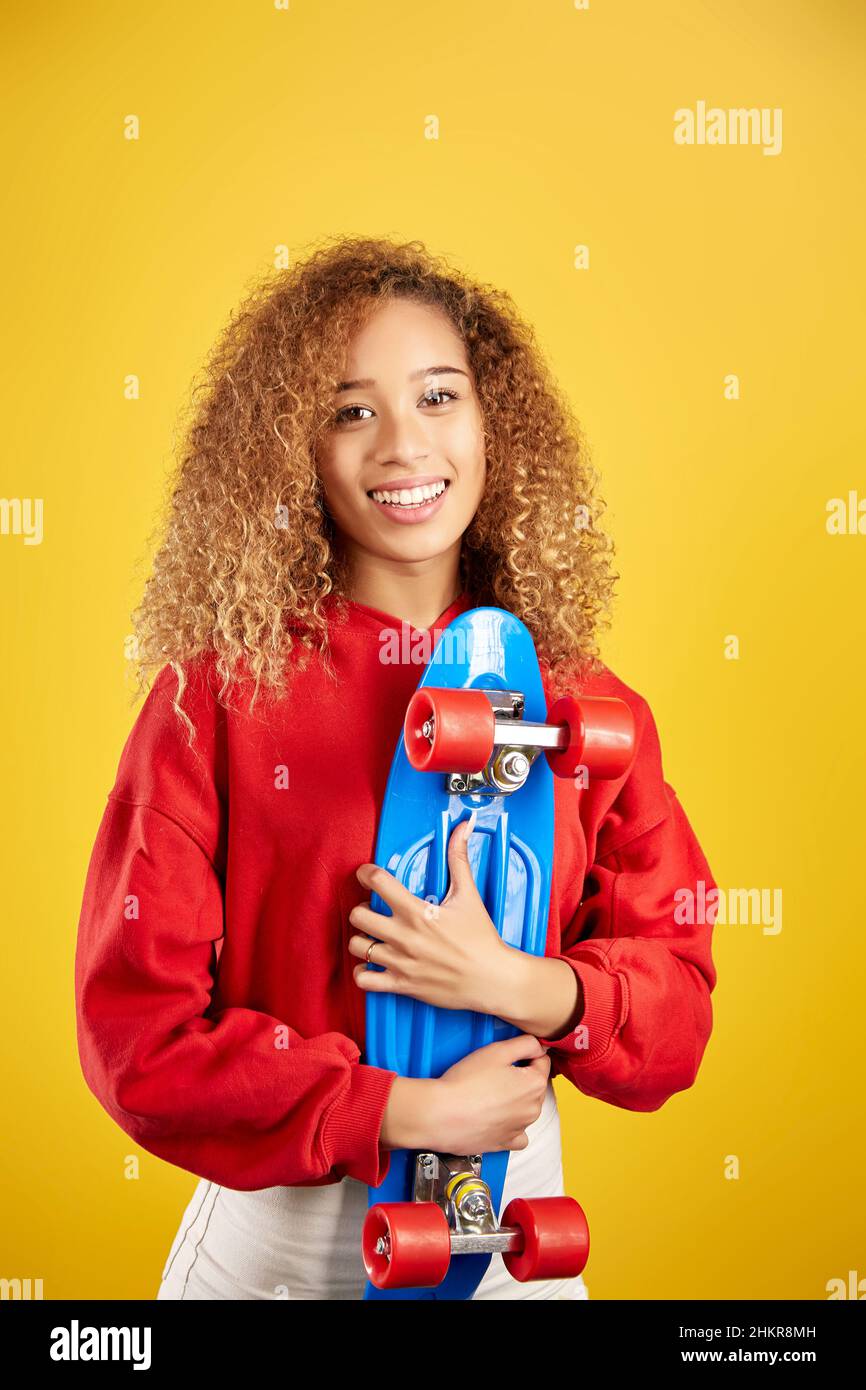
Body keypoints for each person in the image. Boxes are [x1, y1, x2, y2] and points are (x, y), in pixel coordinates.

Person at [74, 235, 718, 1301]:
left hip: (509, 1224)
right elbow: (138, 1039)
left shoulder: (588, 706)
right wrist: (394, 1110)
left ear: (491, 422)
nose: (403, 447)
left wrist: (523, 986)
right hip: (284, 1242)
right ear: (293, 449)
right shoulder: (213, 700)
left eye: (436, 396)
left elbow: (677, 1009)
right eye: (350, 409)